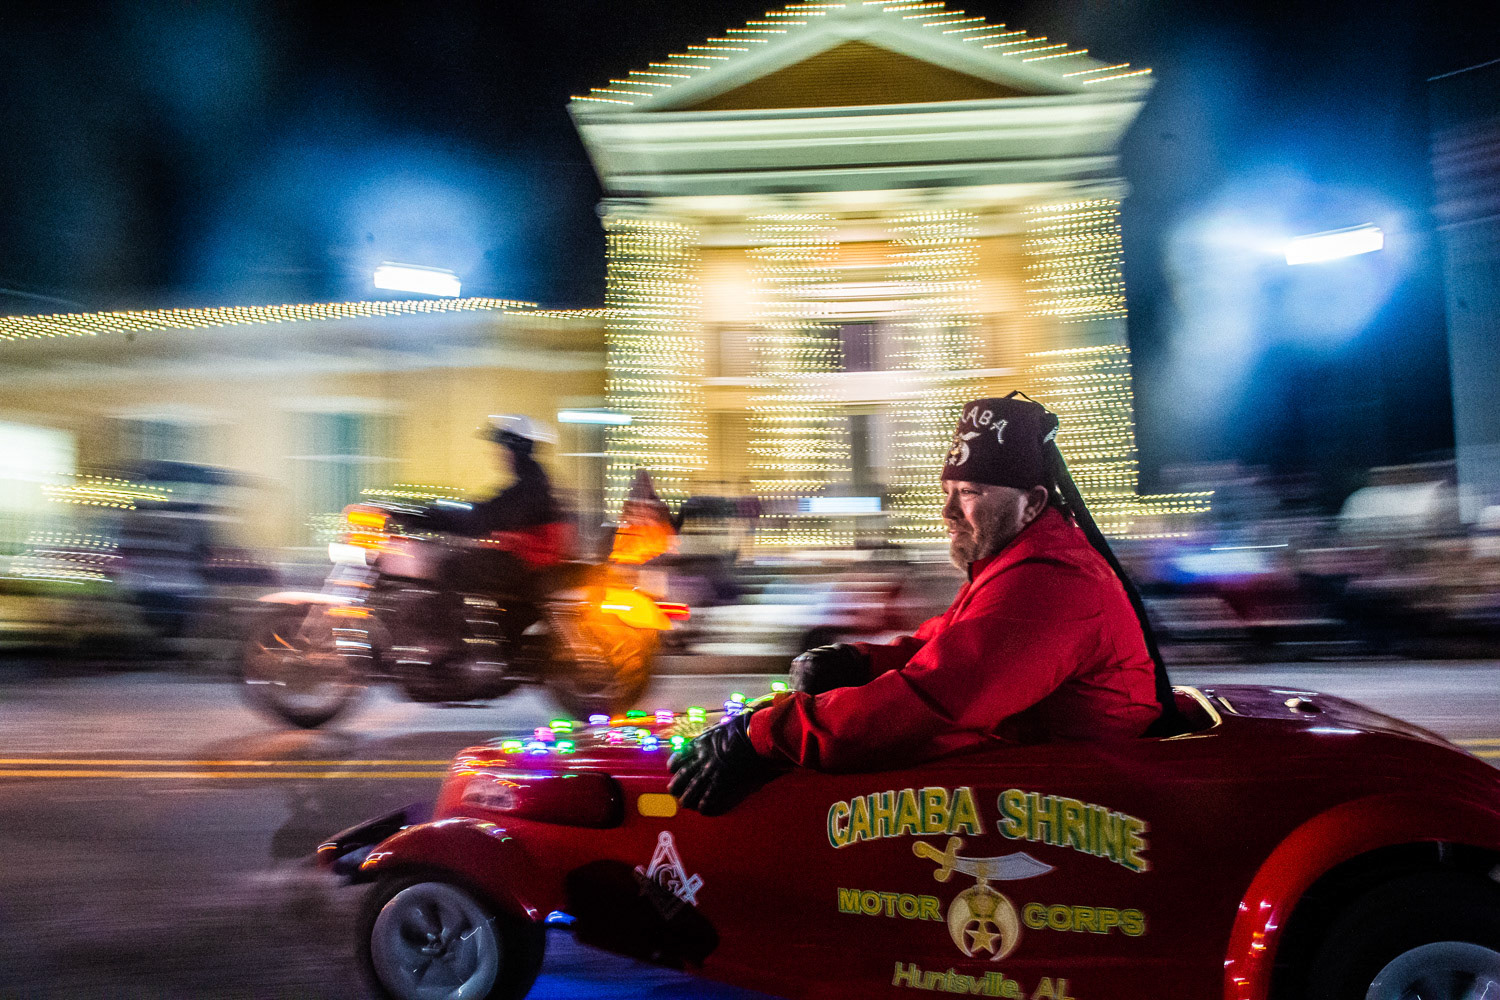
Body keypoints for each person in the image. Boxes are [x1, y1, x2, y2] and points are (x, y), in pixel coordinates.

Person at [668, 393, 1178, 815]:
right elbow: (949, 644)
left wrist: (762, 738)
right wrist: (864, 663)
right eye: (948, 490)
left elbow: (931, 704)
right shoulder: (1020, 562)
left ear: (1033, 503)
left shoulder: (1052, 584)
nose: (948, 511)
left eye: (971, 492)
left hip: (1079, 809)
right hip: (1048, 791)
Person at [430, 415, 570, 596]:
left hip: (528, 568)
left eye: (502, 447)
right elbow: (487, 510)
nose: (497, 453)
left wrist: (431, 517)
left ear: (517, 450)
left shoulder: (529, 488)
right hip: (529, 566)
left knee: (450, 567)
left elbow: (485, 517)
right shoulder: (532, 483)